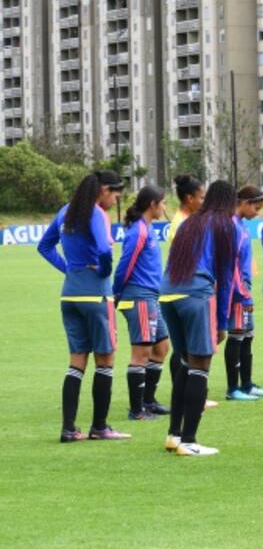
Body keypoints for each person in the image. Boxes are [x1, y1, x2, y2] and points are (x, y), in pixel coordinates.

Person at [38, 170, 129, 442]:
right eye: (115, 194)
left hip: (70, 296)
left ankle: (68, 429)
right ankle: (100, 427)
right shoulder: (96, 213)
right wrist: (104, 271)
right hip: (96, 296)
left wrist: (69, 269)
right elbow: (104, 249)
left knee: (77, 362)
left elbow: (44, 247)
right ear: (103, 190)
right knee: (105, 360)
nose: (115, 200)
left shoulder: (65, 211)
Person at [159, 180, 240, 456]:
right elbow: (226, 277)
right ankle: (190, 441)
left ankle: (174, 434)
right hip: (195, 294)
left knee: (185, 362)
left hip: (168, 294)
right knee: (200, 364)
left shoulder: (191, 221)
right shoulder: (225, 225)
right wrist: (223, 322)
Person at [113, 185, 172, 422]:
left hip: (151, 297)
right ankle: (136, 411)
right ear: (152, 204)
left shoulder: (147, 228)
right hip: (139, 297)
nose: (164, 207)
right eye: (163, 203)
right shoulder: (138, 231)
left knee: (162, 347)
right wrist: (117, 292)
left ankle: (149, 401)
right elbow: (125, 264)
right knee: (141, 352)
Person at [223, 186, 263, 401]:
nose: (257, 212)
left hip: (244, 288)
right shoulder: (232, 226)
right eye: (256, 207)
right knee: (236, 336)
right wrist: (242, 292)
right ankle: (233, 388)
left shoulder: (241, 224)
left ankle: (247, 384)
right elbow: (230, 263)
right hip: (237, 291)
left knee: (247, 335)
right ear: (244, 202)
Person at [167, 174, 205, 242]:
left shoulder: (192, 218)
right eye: (202, 198)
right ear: (190, 198)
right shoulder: (181, 224)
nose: (205, 202)